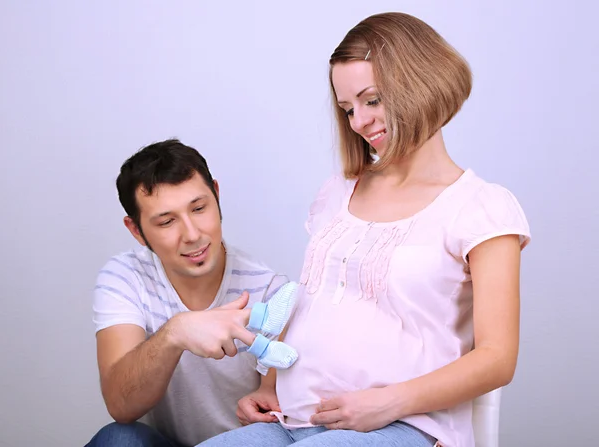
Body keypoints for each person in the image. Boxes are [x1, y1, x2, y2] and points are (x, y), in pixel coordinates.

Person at [198, 11, 531, 447]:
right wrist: (270, 385)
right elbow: (312, 301)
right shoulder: (337, 192)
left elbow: (497, 358)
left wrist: (389, 403)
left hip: (406, 425)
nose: (358, 122)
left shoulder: (480, 207)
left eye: (372, 100)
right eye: (348, 108)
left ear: (419, 83)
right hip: (292, 420)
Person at [86, 139, 298, 447]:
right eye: (167, 221)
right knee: (119, 439)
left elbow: (284, 412)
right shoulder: (126, 276)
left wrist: (267, 397)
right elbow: (121, 405)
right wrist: (176, 332)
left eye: (199, 209)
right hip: (162, 443)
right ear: (136, 230)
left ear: (216, 193)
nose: (193, 234)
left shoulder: (269, 290)